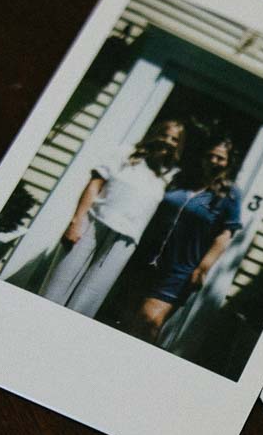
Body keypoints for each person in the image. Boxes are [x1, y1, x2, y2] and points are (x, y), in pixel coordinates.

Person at [40, 119, 185, 316]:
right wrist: (76, 221)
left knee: (87, 302)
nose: (167, 141)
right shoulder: (126, 153)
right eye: (164, 134)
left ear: (179, 145)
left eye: (174, 139)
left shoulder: (169, 175)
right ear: (155, 133)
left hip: (125, 241)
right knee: (56, 288)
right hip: (92, 226)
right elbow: (94, 184)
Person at [134, 136, 243, 343]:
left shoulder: (230, 193)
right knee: (134, 321)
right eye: (209, 155)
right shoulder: (182, 180)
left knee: (148, 321)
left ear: (229, 163)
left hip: (180, 269)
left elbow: (225, 234)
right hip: (147, 259)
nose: (213, 161)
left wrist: (203, 268)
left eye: (220, 158)